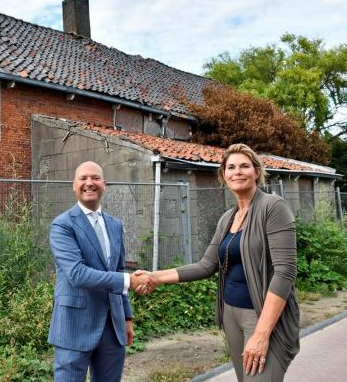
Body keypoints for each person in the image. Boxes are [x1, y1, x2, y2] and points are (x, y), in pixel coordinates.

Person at [138, 143, 300, 381]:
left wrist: (262, 333)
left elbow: (285, 272)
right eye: (231, 167)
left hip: (261, 315)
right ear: (224, 175)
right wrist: (155, 277)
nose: (238, 172)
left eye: (245, 166)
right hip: (231, 314)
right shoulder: (228, 218)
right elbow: (206, 265)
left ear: (256, 172)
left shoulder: (273, 207)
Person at [48, 161, 155, 382]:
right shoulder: (62, 225)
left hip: (112, 326)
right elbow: (77, 274)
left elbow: (117, 268)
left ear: (104, 184)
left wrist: (126, 317)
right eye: (83, 178)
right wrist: (128, 280)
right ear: (74, 185)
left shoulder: (115, 225)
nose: (89, 183)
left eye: (95, 178)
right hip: (74, 325)